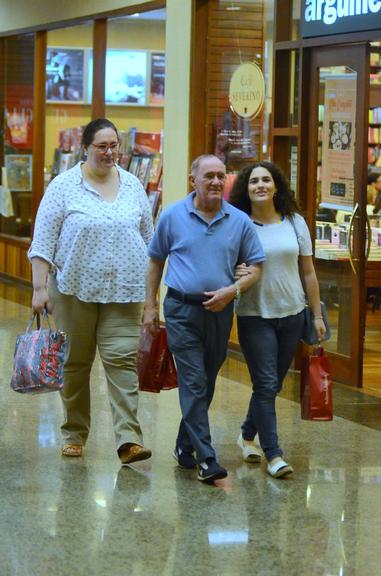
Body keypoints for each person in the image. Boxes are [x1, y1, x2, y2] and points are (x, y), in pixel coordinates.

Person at [28, 118, 153, 465]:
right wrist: (40, 289)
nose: (109, 152)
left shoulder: (132, 186)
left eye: (114, 145)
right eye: (102, 146)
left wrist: (153, 292)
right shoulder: (64, 186)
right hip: (73, 290)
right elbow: (42, 241)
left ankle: (129, 439)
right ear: (85, 147)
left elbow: (148, 239)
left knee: (122, 361)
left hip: (125, 291)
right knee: (75, 364)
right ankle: (74, 433)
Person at [143, 154, 265, 484]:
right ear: (192, 179)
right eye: (208, 175)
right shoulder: (172, 216)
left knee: (207, 382)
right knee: (194, 381)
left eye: (220, 176)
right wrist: (151, 306)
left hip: (221, 311)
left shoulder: (239, 221)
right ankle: (207, 458)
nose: (215, 181)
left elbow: (256, 267)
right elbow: (155, 261)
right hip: (182, 310)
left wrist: (233, 291)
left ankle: (184, 446)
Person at [229, 160, 326, 479]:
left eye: (266, 180)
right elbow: (226, 263)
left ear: (276, 186)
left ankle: (246, 435)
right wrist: (235, 271)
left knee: (271, 384)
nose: (260, 185)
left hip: (293, 313)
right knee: (267, 383)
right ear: (246, 188)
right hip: (255, 316)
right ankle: (274, 455)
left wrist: (316, 315)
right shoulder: (238, 224)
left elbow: (308, 271)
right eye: (253, 180)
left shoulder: (295, 222)